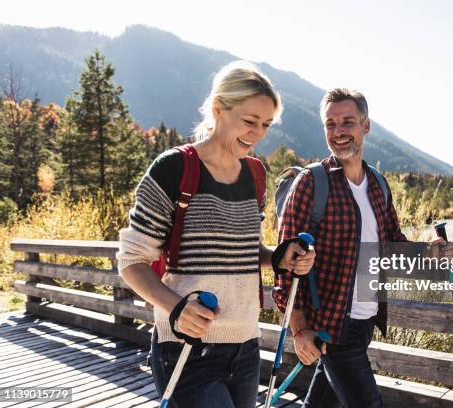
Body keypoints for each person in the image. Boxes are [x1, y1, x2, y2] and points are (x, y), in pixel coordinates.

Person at [116, 61, 315, 408]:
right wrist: (176, 308)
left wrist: (279, 257)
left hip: (246, 347)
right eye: (250, 121)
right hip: (186, 348)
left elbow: (246, 251)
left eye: (266, 125)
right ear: (218, 109)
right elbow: (131, 261)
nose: (257, 133)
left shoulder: (254, 175)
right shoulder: (173, 168)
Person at [273, 88, 453, 408]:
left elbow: (391, 246)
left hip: (365, 322)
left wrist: (429, 252)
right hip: (332, 328)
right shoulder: (312, 183)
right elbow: (287, 264)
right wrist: (299, 328)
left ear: (365, 126)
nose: (339, 132)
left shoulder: (378, 185)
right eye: (330, 124)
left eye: (348, 122)